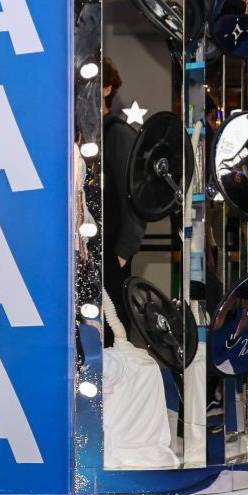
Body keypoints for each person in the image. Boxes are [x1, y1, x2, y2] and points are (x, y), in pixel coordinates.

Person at [101, 58, 145, 335]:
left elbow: (136, 196)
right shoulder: (75, 135)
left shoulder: (118, 134)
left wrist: (124, 251)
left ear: (108, 88)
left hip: (111, 251)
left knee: (113, 332)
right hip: (84, 251)